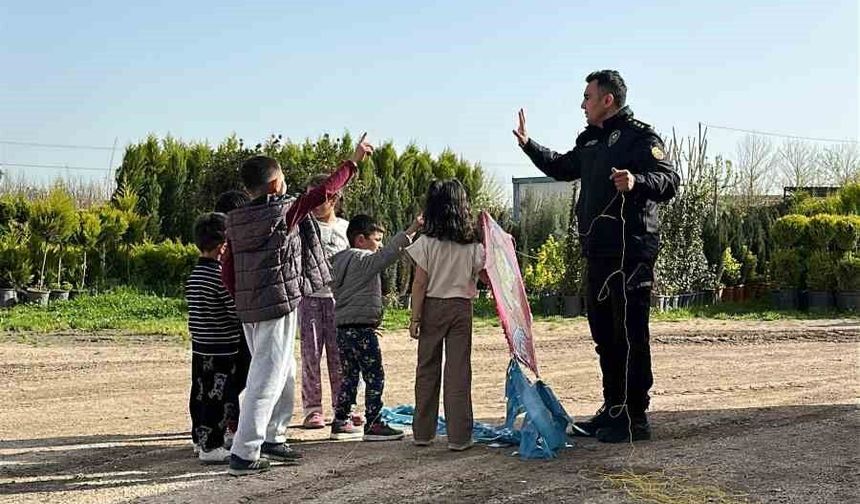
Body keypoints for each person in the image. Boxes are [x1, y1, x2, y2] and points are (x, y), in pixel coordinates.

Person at [514, 70, 679, 443]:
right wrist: (529, 145)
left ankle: (634, 415)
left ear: (607, 99)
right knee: (605, 335)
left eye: (587, 97)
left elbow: (669, 181)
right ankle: (612, 407)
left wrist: (637, 182)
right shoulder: (589, 141)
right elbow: (562, 166)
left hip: (631, 252)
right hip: (599, 252)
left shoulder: (640, 137)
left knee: (630, 333)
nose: (582, 104)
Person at [222, 134, 373, 476]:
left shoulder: (236, 219)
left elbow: (228, 267)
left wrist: (239, 298)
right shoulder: (282, 210)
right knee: (266, 377)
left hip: (250, 307)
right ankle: (245, 453)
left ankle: (274, 435)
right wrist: (353, 161)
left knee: (284, 371)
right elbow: (321, 193)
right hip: (276, 305)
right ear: (275, 184)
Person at [407, 180, 486, 451]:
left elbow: (419, 283)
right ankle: (459, 437)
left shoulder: (426, 242)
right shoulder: (474, 245)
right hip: (462, 309)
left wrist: (415, 318)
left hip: (432, 307)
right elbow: (486, 275)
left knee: (427, 369)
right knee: (459, 372)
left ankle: (422, 433)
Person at [329, 213, 422, 441]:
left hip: (344, 329)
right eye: (377, 239)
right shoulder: (362, 259)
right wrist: (413, 227)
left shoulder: (338, 261)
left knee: (350, 376)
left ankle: (341, 420)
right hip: (362, 330)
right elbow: (389, 254)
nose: (380, 244)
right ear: (360, 240)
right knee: (374, 376)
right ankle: (373, 423)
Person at [186, 212, 244, 464]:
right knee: (219, 398)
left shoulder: (194, 275)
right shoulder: (220, 277)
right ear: (223, 247)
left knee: (199, 394)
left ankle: (200, 440)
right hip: (223, 348)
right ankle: (213, 445)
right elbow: (233, 312)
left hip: (201, 347)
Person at [298, 174, 351, 429]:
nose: (317, 203)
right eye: (312, 197)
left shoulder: (346, 228)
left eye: (323, 196)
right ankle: (312, 409)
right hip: (309, 298)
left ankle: (344, 407)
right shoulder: (302, 226)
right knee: (311, 355)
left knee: (340, 356)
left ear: (335, 198)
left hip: (339, 300)